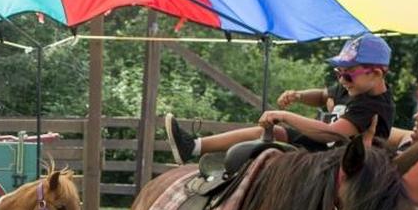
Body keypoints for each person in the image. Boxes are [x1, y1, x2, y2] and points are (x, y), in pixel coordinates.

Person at [165, 33, 394, 164]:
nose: (342, 79)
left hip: (348, 164)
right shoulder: (353, 87)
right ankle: (194, 147)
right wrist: (299, 95)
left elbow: (332, 133)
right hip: (325, 149)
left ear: (376, 74)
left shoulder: (373, 106)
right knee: (271, 133)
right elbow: (323, 95)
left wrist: (285, 115)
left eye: (348, 74)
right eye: (339, 73)